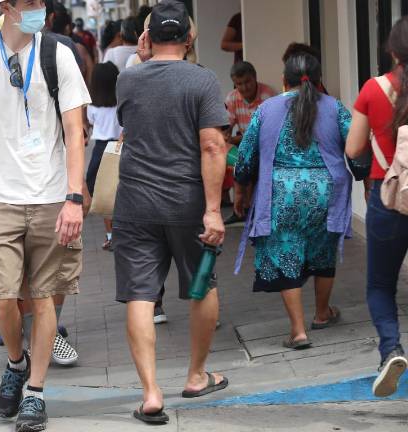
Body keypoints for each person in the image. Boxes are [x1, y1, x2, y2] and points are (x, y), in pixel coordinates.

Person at [0, 0, 91, 429]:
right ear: (7, 8)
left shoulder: (57, 54)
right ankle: (16, 362)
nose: (38, 10)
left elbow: (74, 130)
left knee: (45, 297)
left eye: (41, 3)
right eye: (29, 3)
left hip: (50, 197)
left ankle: (35, 391)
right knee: (4, 299)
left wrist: (74, 196)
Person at [114, 1, 228, 424]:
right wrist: (214, 211)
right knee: (201, 286)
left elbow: (140, 109)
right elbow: (213, 146)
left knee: (141, 294)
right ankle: (197, 375)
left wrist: (142, 59)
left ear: (146, 38)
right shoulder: (202, 80)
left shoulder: (128, 79)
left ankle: (150, 393)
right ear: (189, 37)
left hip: (135, 204)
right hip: (187, 203)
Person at [234, 53, 364, 351]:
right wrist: (363, 179)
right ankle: (321, 313)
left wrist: (241, 187)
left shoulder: (266, 110)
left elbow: (246, 158)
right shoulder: (334, 107)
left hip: (282, 192)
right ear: (319, 80)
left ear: (284, 80)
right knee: (323, 251)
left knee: (286, 252)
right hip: (325, 191)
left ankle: (298, 331)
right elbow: (356, 148)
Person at [345, 16, 408, 398]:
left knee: (381, 285)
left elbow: (353, 149)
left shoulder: (375, 89)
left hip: (389, 198)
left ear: (392, 50)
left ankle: (391, 351)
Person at [224, 61, 276, 224]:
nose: (244, 87)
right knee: (225, 151)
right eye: (239, 84)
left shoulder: (268, 96)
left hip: (266, 144)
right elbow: (227, 128)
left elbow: (267, 133)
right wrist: (226, 138)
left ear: (255, 79)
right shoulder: (232, 98)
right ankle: (240, 210)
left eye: (247, 82)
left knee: (252, 163)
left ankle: (249, 208)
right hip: (245, 143)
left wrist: (237, 139)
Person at [85, 62, 121, 252]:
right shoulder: (121, 104)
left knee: (105, 195)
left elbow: (90, 123)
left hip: (101, 150)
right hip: (121, 147)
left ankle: (110, 236)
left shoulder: (92, 107)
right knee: (121, 192)